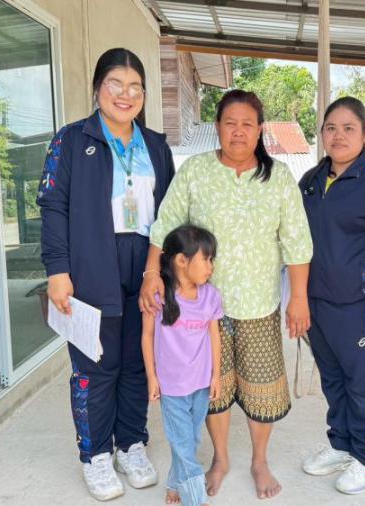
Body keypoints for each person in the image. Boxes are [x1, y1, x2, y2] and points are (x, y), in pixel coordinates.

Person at [141, 90, 313, 500]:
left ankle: (259, 461)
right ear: (217, 126)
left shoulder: (278, 178)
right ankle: (220, 459)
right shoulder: (196, 171)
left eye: (247, 124)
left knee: (263, 389)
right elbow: (165, 225)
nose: (238, 131)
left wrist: (299, 298)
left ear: (260, 130)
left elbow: (297, 243)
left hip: (258, 306)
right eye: (230, 123)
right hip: (199, 309)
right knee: (212, 388)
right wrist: (151, 274)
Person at [37, 48, 176, 501]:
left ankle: (131, 444)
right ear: (98, 88)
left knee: (137, 358)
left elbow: (170, 212)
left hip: (146, 261)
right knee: (95, 363)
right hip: (91, 261)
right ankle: (95, 454)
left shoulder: (155, 145)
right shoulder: (71, 140)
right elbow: (53, 207)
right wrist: (57, 270)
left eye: (135, 87)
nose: (125, 94)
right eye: (116, 84)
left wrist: (164, 270)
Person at [298, 97, 365, 495]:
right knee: (334, 380)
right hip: (318, 303)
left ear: (364, 133)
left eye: (348, 128)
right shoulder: (311, 181)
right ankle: (342, 446)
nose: (338, 136)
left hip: (361, 305)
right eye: (331, 127)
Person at [141, 225, 223, 506]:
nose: (211, 267)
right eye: (206, 259)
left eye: (212, 260)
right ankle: (196, 499)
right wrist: (152, 377)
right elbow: (147, 336)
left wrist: (215, 375)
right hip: (172, 386)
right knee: (183, 443)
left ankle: (174, 484)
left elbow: (214, 336)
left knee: (191, 440)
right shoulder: (158, 296)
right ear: (181, 260)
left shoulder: (210, 296)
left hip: (200, 384)